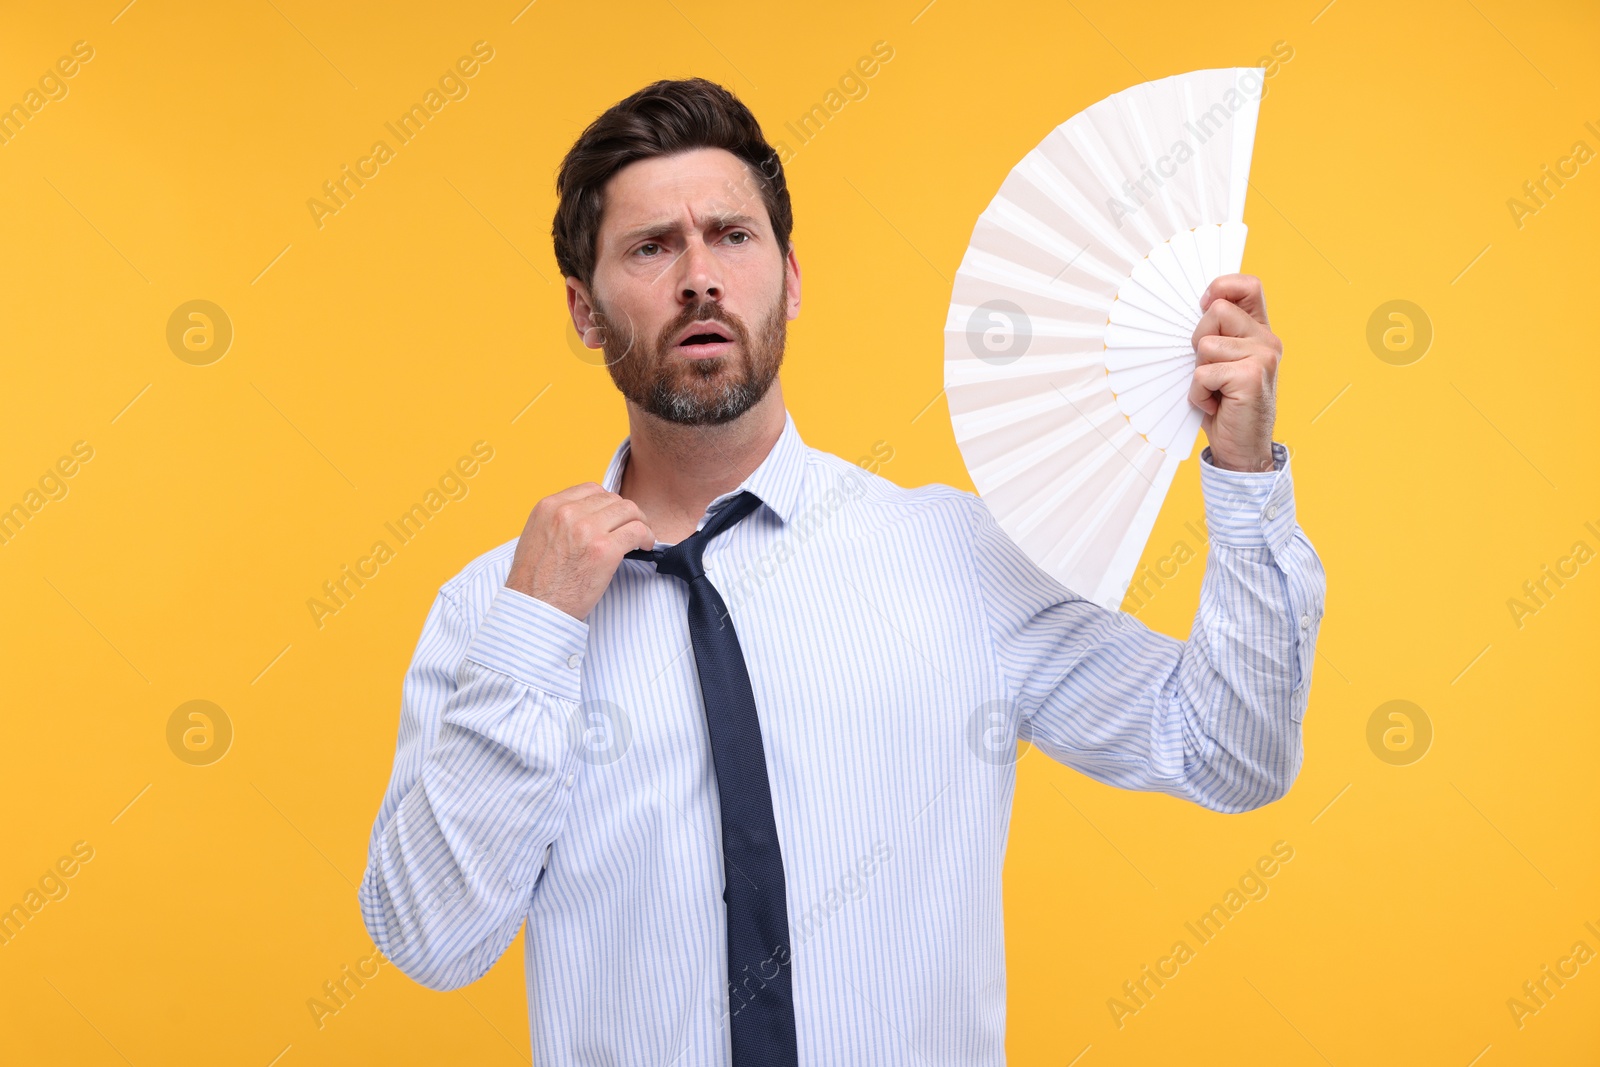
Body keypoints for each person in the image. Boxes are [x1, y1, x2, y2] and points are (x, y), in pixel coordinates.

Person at [358, 77, 1326, 1065]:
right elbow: (433, 940)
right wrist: (536, 632)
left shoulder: (953, 558)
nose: (700, 277)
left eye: (732, 237)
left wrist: (1243, 476)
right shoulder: (495, 609)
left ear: (790, 276)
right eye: (652, 247)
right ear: (585, 311)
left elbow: (1232, 752)